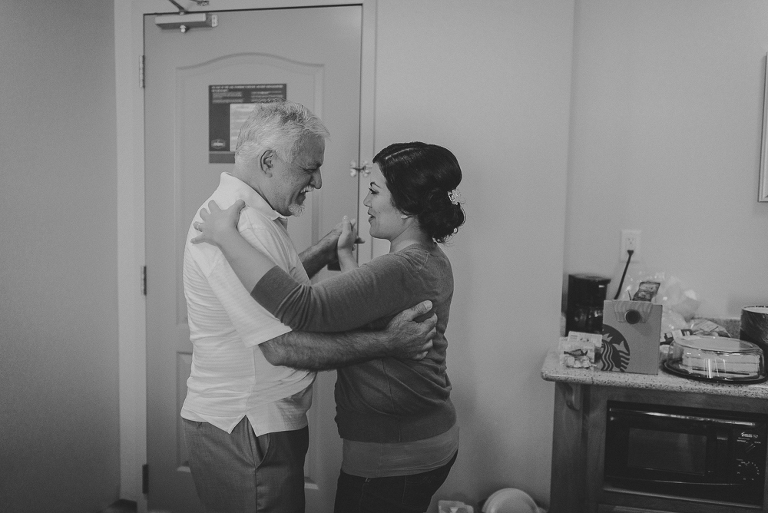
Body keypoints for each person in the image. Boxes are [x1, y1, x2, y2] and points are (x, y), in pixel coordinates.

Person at [181, 102, 438, 513]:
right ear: (269, 161)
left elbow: (278, 290)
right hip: (246, 425)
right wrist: (389, 342)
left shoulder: (255, 220)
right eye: (309, 168)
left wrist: (323, 251)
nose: (318, 181)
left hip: (262, 422)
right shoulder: (242, 226)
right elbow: (283, 346)